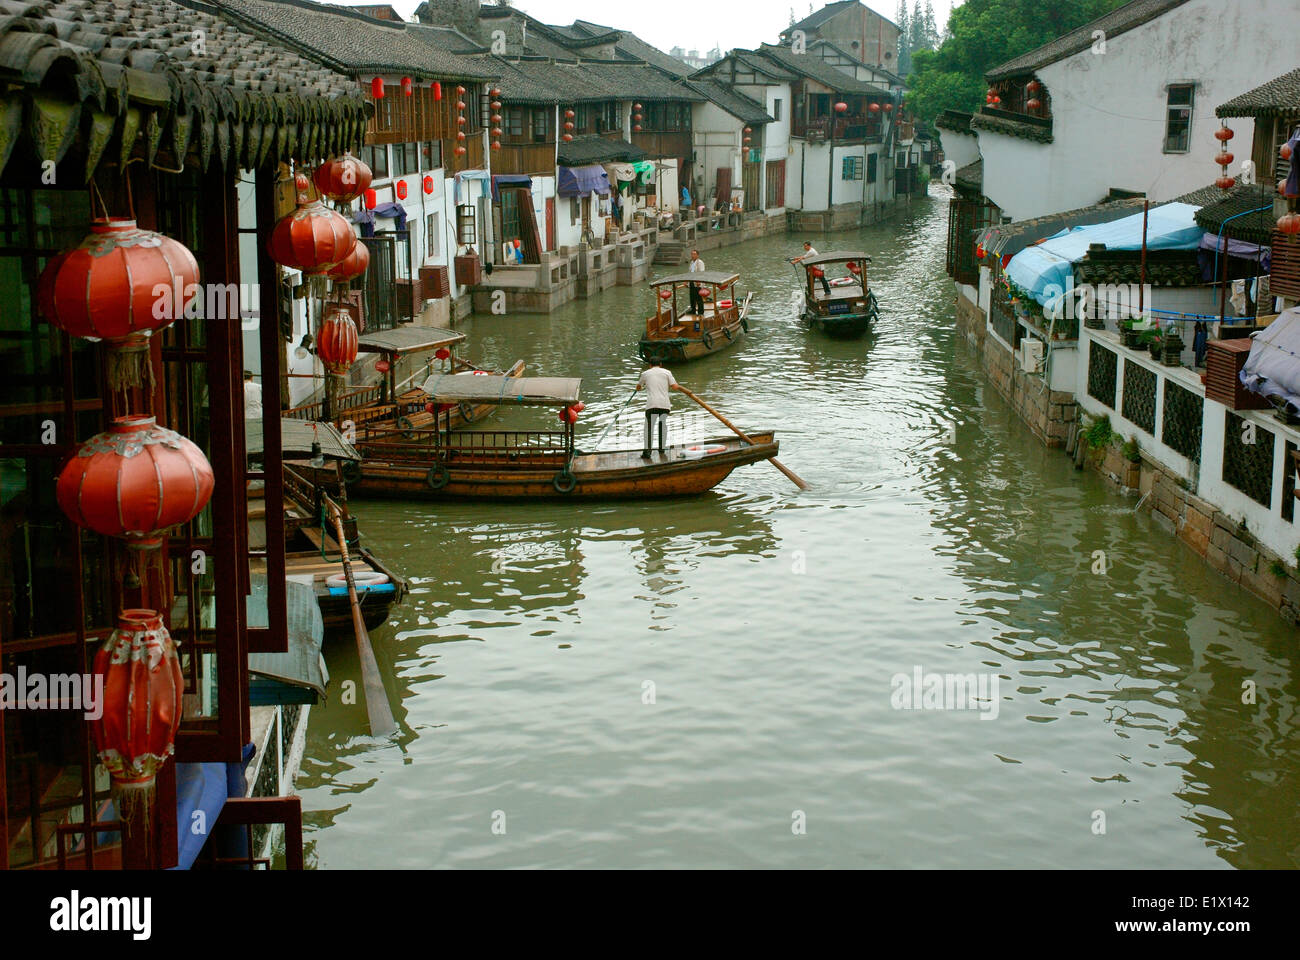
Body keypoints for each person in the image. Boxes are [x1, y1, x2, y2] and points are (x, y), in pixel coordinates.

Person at [637, 356, 681, 459]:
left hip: (651, 405)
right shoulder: (667, 372)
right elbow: (675, 386)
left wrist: (640, 387)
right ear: (660, 364)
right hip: (664, 405)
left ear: (650, 365)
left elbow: (638, 387)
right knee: (662, 426)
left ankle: (647, 453)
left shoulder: (645, 374)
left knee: (649, 429)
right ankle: (661, 449)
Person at [687, 249, 706, 316]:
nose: (693, 255)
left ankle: (701, 312)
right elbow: (690, 272)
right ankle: (693, 310)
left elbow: (701, 272)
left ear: (697, 255)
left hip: (698, 282)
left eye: (694, 254)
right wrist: (686, 281)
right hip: (691, 281)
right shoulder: (691, 262)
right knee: (692, 297)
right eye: (692, 254)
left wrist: (699, 281)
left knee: (698, 298)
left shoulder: (700, 262)